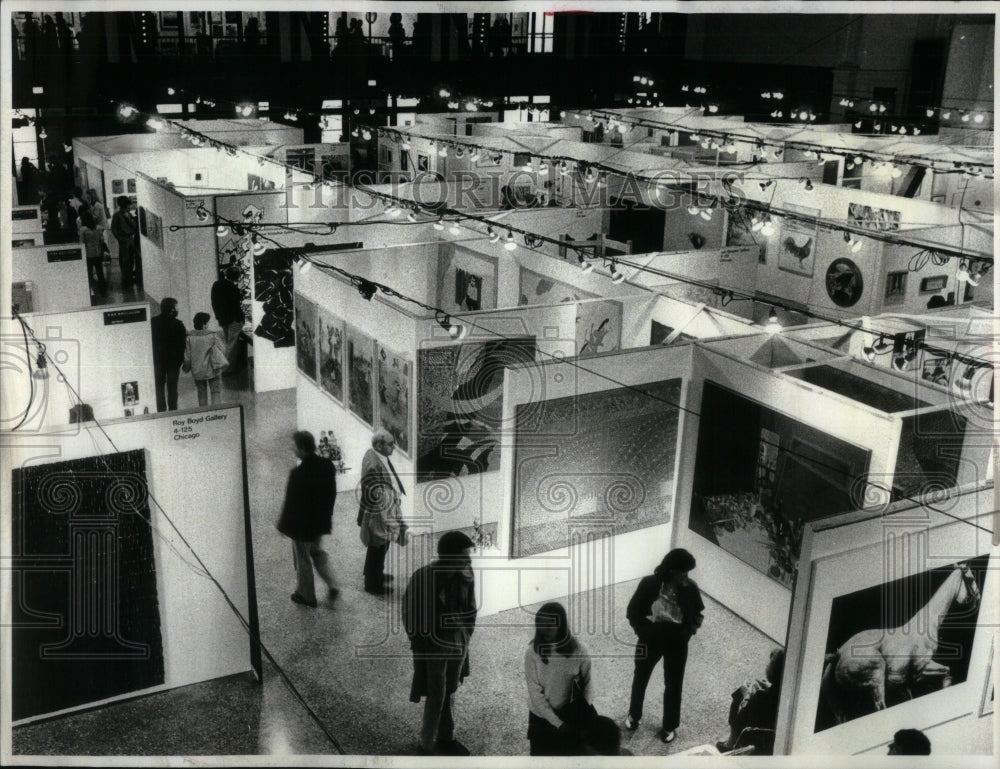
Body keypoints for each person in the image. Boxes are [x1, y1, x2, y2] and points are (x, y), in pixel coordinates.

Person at [402, 530, 477, 756]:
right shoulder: (423, 577)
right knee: (437, 694)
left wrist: (465, 636)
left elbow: (471, 609)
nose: (469, 560)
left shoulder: (466, 574)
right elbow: (410, 614)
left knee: (451, 689)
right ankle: (426, 743)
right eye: (464, 556)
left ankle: (446, 737)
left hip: (457, 643)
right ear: (449, 557)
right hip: (434, 646)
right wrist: (421, 642)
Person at [624, 548, 705, 744]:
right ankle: (634, 715)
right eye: (683, 572)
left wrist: (686, 634)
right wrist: (643, 632)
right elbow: (632, 612)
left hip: (676, 640)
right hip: (651, 636)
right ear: (671, 570)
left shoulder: (690, 588)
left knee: (674, 684)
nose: (686, 577)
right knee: (640, 677)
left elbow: (697, 616)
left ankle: (669, 726)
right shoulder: (649, 584)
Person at [275, 430, 338, 607]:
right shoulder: (327, 465)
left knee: (303, 559)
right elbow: (331, 494)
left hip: (302, 528)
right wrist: (327, 517)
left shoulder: (297, 473)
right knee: (317, 553)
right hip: (320, 523)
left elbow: (290, 504)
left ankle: (306, 596)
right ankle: (332, 584)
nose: (292, 449)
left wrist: (282, 526)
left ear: (302, 448)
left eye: (294, 446)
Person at [524, 602, 593, 756]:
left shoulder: (580, 650)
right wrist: (558, 723)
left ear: (561, 625)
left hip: (572, 715)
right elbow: (535, 694)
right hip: (541, 717)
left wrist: (583, 712)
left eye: (550, 624)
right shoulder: (532, 653)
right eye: (540, 624)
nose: (544, 629)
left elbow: (588, 683)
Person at [357, 429, 407, 595]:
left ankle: (373, 574)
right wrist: (387, 518)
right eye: (390, 444)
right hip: (381, 513)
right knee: (379, 545)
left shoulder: (377, 455)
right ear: (379, 445)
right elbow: (373, 493)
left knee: (379, 547)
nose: (394, 447)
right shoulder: (372, 462)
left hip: (387, 508)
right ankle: (372, 584)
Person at [715, 648, 785, 754]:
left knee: (740, 703)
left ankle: (730, 745)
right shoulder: (787, 699)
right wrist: (770, 688)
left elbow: (735, 724)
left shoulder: (761, 697)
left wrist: (745, 695)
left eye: (770, 662)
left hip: (749, 749)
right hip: (769, 751)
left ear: (774, 667)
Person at [183, 312, 228, 407]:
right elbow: (223, 349)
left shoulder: (189, 338)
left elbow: (187, 357)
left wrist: (186, 368)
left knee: (201, 393)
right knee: (215, 391)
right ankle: (216, 413)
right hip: (213, 368)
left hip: (197, 370)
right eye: (207, 323)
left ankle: (204, 414)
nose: (208, 325)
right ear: (204, 325)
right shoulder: (212, 335)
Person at [150, 298, 187, 412]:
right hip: (173, 363)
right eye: (176, 307)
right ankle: (173, 410)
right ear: (172, 309)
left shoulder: (153, 322)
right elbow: (182, 345)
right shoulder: (178, 324)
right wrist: (180, 361)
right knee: (172, 388)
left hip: (157, 362)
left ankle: (161, 410)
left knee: (159, 388)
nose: (178, 309)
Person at [211, 265, 246, 374]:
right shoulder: (233, 288)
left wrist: (218, 316)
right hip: (234, 319)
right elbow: (237, 302)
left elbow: (214, 302)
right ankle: (226, 369)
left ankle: (226, 366)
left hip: (222, 318)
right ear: (237, 277)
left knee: (228, 342)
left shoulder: (216, 285)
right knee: (232, 344)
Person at [111, 195, 138, 289]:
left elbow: (134, 225)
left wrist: (129, 218)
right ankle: (126, 279)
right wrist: (119, 237)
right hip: (123, 239)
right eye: (128, 205)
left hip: (130, 238)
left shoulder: (128, 214)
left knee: (131, 258)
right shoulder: (117, 215)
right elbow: (113, 228)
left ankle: (129, 277)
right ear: (125, 205)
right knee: (125, 259)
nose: (129, 207)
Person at [78, 209, 106, 296]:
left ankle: (90, 291)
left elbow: (81, 243)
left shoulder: (83, 230)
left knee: (89, 273)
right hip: (98, 252)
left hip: (88, 253)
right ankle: (103, 290)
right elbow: (101, 240)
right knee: (100, 272)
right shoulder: (98, 228)